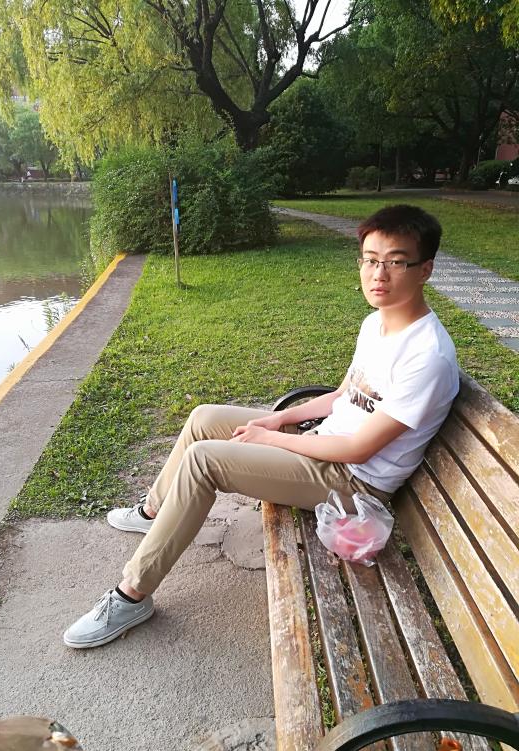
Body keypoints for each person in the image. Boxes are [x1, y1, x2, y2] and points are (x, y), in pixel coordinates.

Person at [63, 204, 459, 649]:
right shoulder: (376, 324)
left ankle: (131, 594)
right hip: (322, 445)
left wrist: (271, 439)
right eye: (370, 259)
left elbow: (358, 450)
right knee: (204, 418)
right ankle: (152, 513)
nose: (378, 274)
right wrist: (281, 418)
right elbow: (341, 395)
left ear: (425, 269)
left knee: (204, 461)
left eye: (395, 262)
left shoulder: (427, 356)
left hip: (352, 483)